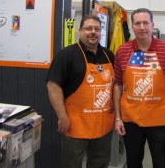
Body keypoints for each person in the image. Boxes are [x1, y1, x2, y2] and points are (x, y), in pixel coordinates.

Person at [113, 8, 165, 168]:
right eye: (138, 23)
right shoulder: (123, 51)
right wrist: (118, 118)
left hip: (159, 119)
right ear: (132, 26)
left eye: (146, 23)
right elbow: (117, 84)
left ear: (152, 25)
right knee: (133, 162)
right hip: (131, 120)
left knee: (161, 163)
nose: (142, 27)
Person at [46, 15, 115, 168]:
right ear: (79, 31)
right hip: (76, 125)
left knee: (100, 163)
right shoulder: (67, 55)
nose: (93, 32)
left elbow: (116, 86)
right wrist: (62, 116)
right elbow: (53, 86)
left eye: (97, 29)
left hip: (103, 124)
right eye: (88, 28)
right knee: (72, 164)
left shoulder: (109, 55)